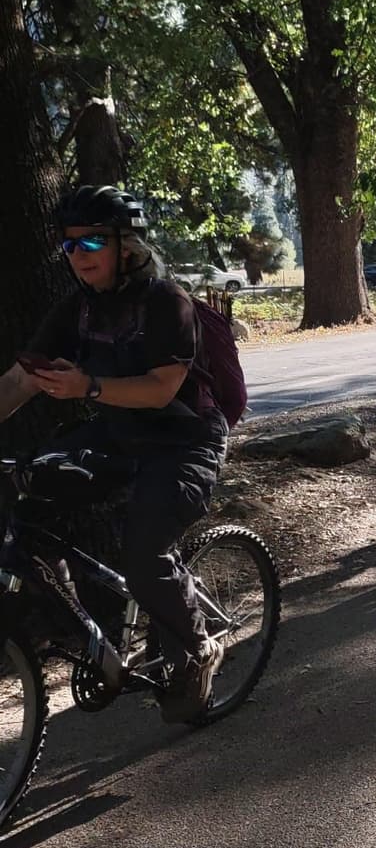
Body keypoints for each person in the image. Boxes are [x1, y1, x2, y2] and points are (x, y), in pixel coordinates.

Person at [0, 186, 229, 722]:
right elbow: (18, 383)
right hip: (119, 434)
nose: (80, 255)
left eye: (93, 242)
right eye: (70, 245)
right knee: (29, 492)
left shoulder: (167, 302)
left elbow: (161, 389)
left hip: (184, 442)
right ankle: (80, 624)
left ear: (126, 245)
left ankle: (199, 649)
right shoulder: (75, 310)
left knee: (144, 556)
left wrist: (88, 387)